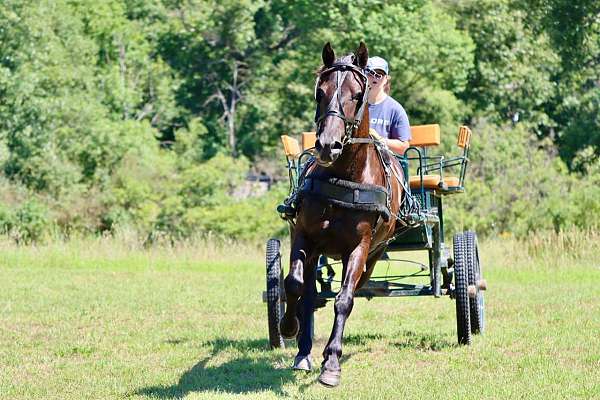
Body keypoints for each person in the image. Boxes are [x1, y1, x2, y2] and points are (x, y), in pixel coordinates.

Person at [365, 56, 411, 155]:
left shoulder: (395, 109)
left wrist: (379, 140)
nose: (374, 77)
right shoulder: (353, 105)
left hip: (384, 163)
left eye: (379, 74)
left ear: (386, 79)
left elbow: (404, 147)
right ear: (364, 75)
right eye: (370, 73)